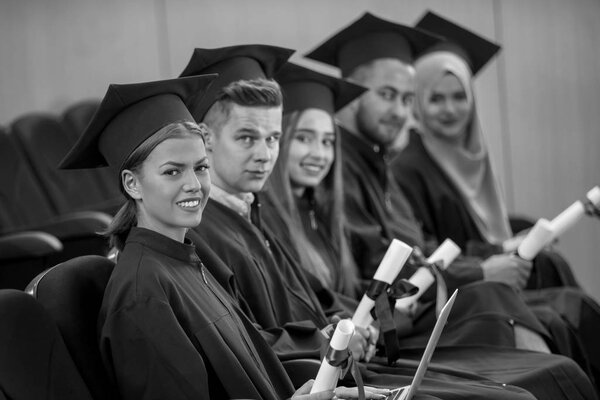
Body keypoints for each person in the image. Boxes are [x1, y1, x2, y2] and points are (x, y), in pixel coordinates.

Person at [180, 45, 596, 399]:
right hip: (321, 376)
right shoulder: (206, 230)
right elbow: (244, 339)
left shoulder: (250, 212)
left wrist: (347, 325)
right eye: (247, 138)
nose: (265, 154)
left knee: (540, 352)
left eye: (272, 139)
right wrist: (334, 334)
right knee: (524, 380)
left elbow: (315, 299)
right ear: (206, 138)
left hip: (354, 355)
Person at [59, 75, 387, 400]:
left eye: (200, 168)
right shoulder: (143, 292)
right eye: (172, 171)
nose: (194, 184)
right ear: (132, 184)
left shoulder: (187, 261)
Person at [390, 10, 600, 391]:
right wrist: (499, 249)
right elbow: (428, 249)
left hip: (486, 270)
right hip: (453, 294)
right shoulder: (408, 166)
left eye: (459, 97)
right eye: (436, 99)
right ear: (417, 102)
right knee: (564, 311)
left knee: (556, 273)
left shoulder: (470, 153)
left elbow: (480, 219)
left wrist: (522, 232)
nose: (451, 110)